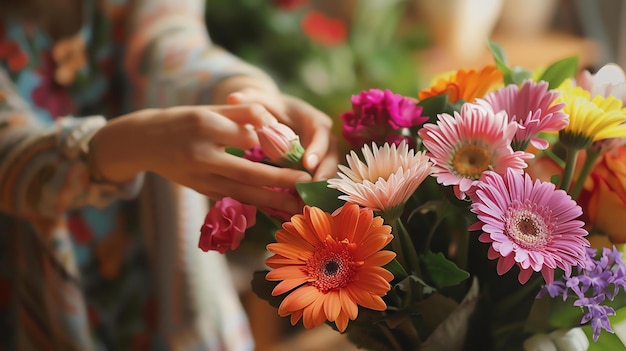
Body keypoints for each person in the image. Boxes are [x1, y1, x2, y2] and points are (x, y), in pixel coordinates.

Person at [0, 0, 338, 350]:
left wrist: (246, 93)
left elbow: (169, 43)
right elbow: (9, 155)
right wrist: (133, 143)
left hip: (164, 282)